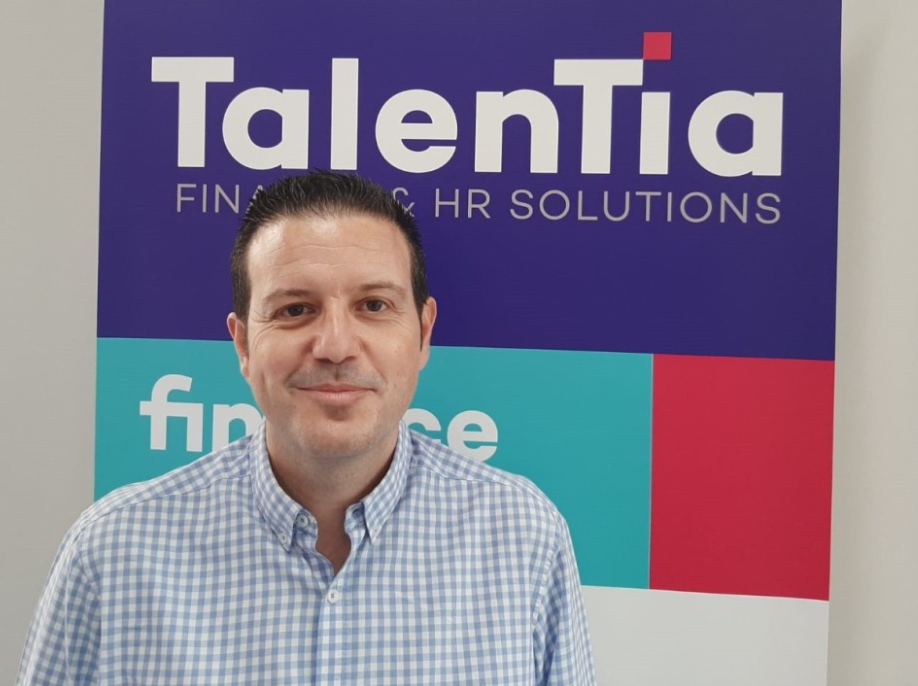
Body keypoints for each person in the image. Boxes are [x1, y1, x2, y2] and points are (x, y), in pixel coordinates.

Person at [17, 171, 596, 685]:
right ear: (244, 344)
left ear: (423, 333)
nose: (336, 346)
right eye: (295, 309)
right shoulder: (114, 552)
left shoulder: (522, 538)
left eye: (374, 306)